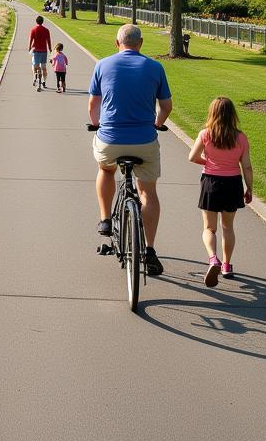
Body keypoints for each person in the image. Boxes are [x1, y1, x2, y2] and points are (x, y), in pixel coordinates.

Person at [88, 24, 173, 276]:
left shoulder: (102, 65)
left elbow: (94, 104)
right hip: (144, 140)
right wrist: (157, 123)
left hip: (111, 138)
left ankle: (105, 219)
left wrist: (97, 124)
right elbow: (166, 107)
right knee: (148, 192)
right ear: (141, 43)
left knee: (105, 168)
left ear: (117, 43)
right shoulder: (155, 67)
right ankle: (149, 249)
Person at [188, 97, 253, 285]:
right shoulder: (240, 137)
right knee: (228, 227)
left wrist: (207, 161)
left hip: (211, 182)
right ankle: (226, 265)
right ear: (232, 114)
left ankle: (212, 259)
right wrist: (249, 188)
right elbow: (247, 166)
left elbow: (192, 157)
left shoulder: (205, 134)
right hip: (233, 183)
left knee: (209, 228)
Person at [28, 14, 52, 91]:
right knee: (44, 67)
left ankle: (35, 76)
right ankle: (44, 81)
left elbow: (31, 40)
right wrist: (50, 48)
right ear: (42, 22)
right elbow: (48, 40)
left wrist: (29, 48)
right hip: (44, 51)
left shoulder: (33, 30)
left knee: (35, 66)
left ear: (36, 21)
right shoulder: (46, 30)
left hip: (36, 51)